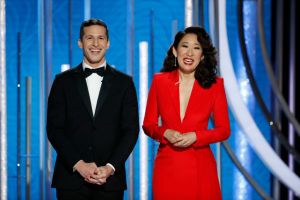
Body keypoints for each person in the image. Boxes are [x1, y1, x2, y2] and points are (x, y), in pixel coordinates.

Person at [47, 18, 139, 200]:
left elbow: (130, 130)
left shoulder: (125, 83)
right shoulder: (62, 82)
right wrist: (79, 164)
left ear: (108, 43)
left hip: (110, 182)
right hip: (70, 180)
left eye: (101, 38)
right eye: (90, 38)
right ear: (80, 43)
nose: (95, 44)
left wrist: (110, 167)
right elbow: (54, 129)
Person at [143, 26, 230, 200]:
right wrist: (165, 132)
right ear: (175, 51)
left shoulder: (215, 85)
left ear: (202, 56)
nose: (189, 53)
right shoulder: (159, 81)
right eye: (185, 46)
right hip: (168, 167)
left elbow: (224, 130)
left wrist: (196, 136)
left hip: (201, 169)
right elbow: (148, 125)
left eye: (196, 48)